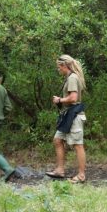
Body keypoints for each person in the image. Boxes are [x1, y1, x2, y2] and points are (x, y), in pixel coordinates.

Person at [46, 55, 87, 183]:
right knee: (58, 140)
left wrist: (59, 100)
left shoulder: (73, 78)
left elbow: (73, 98)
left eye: (59, 67)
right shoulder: (70, 78)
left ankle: (81, 175)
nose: (59, 70)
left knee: (77, 145)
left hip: (74, 115)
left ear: (65, 66)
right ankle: (60, 170)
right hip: (67, 115)